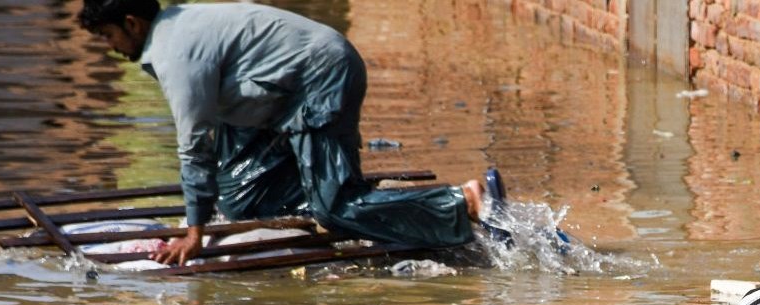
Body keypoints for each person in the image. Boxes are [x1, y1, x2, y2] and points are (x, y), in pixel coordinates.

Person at [77, 0, 492, 266]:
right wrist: (207, 207)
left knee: (334, 208)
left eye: (109, 36)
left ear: (131, 23)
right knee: (241, 197)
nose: (111, 47)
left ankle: (459, 202)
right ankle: (354, 194)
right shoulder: (176, 26)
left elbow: (194, 145)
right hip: (278, 100)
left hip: (320, 78)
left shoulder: (174, 51)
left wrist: (194, 233)